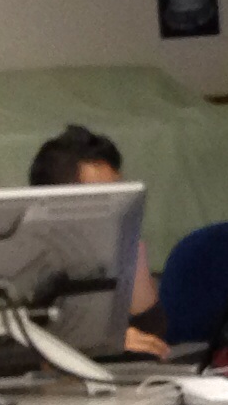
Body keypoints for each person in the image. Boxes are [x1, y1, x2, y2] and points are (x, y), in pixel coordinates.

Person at [29, 122, 161, 349]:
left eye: (119, 194)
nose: (115, 206)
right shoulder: (26, 266)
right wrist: (103, 342)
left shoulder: (117, 250)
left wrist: (134, 250)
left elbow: (154, 339)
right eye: (101, 197)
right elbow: (21, 352)